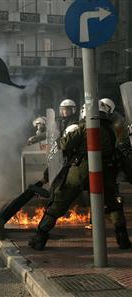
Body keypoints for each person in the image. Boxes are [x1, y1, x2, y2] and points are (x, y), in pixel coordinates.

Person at [29, 101, 131, 250]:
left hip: (80, 171)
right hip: (106, 171)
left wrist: (62, 139)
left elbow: (64, 145)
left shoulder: (84, 127)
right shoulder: (111, 129)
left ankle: (40, 238)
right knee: (113, 204)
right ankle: (122, 238)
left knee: (59, 202)